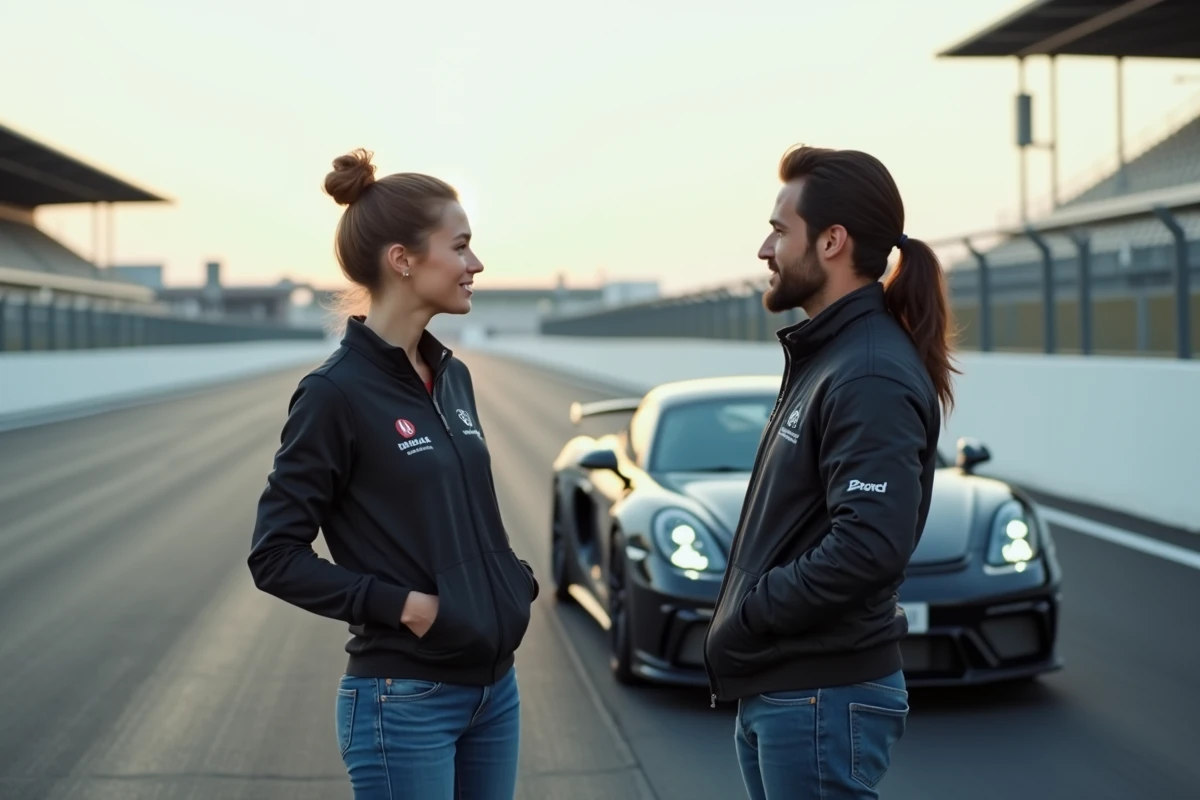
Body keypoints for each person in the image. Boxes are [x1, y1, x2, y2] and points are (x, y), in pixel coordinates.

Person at [248, 148, 538, 800]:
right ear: (402, 260)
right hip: (404, 702)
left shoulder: (453, 377)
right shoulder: (334, 395)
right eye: (460, 247)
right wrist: (406, 608)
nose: (476, 264)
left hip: (494, 690)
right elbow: (275, 556)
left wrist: (511, 583)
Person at [702, 144, 957, 800]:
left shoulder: (867, 370)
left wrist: (754, 613)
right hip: (794, 691)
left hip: (819, 695)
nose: (765, 249)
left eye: (780, 231)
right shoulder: (833, 355)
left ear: (833, 242)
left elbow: (869, 544)